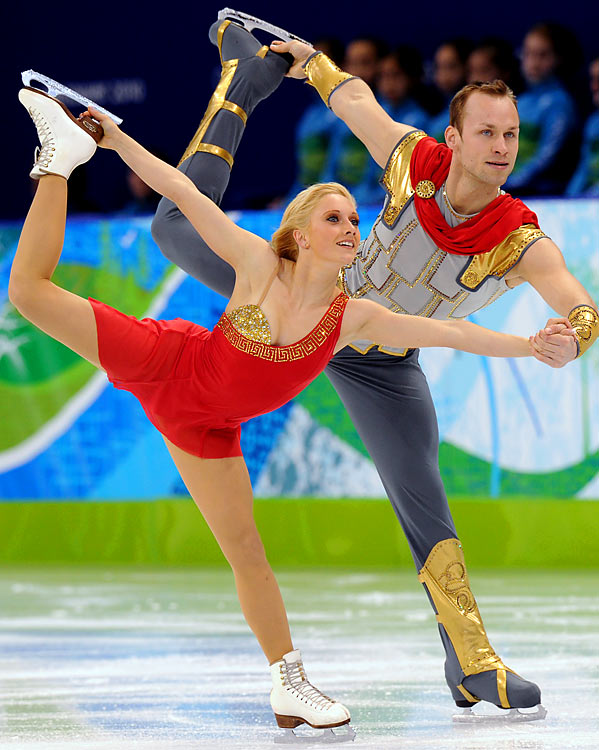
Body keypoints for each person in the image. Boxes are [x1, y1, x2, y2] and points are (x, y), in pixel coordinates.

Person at [12, 59, 538, 734]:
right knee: (29, 292)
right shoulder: (260, 264)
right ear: (301, 232)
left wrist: (529, 346)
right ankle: (57, 158)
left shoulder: (354, 316)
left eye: (355, 217)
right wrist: (113, 143)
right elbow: (181, 191)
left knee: (246, 553)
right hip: (165, 363)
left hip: (206, 430)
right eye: (334, 217)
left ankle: (289, 684)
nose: (351, 227)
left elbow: (450, 330)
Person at [150, 17, 598, 718]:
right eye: (485, 133)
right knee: (172, 228)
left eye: (509, 135)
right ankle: (238, 83)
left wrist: (573, 337)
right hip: (306, 310)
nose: (501, 147)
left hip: (382, 364)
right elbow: (355, 101)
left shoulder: (518, 237)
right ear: (452, 139)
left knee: (426, 505)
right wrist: (310, 63)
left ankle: (471, 662)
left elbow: (577, 303)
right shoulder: (411, 159)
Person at [505, 23, 579, 196]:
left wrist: (511, 183)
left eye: (543, 55)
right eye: (528, 54)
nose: (534, 63)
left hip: (541, 194)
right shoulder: (519, 101)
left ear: (560, 58)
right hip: (509, 190)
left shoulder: (560, 103)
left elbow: (548, 156)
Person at [567, 57, 599, 197]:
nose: (594, 87)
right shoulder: (593, 123)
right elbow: (583, 170)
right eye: (593, 79)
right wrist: (569, 199)